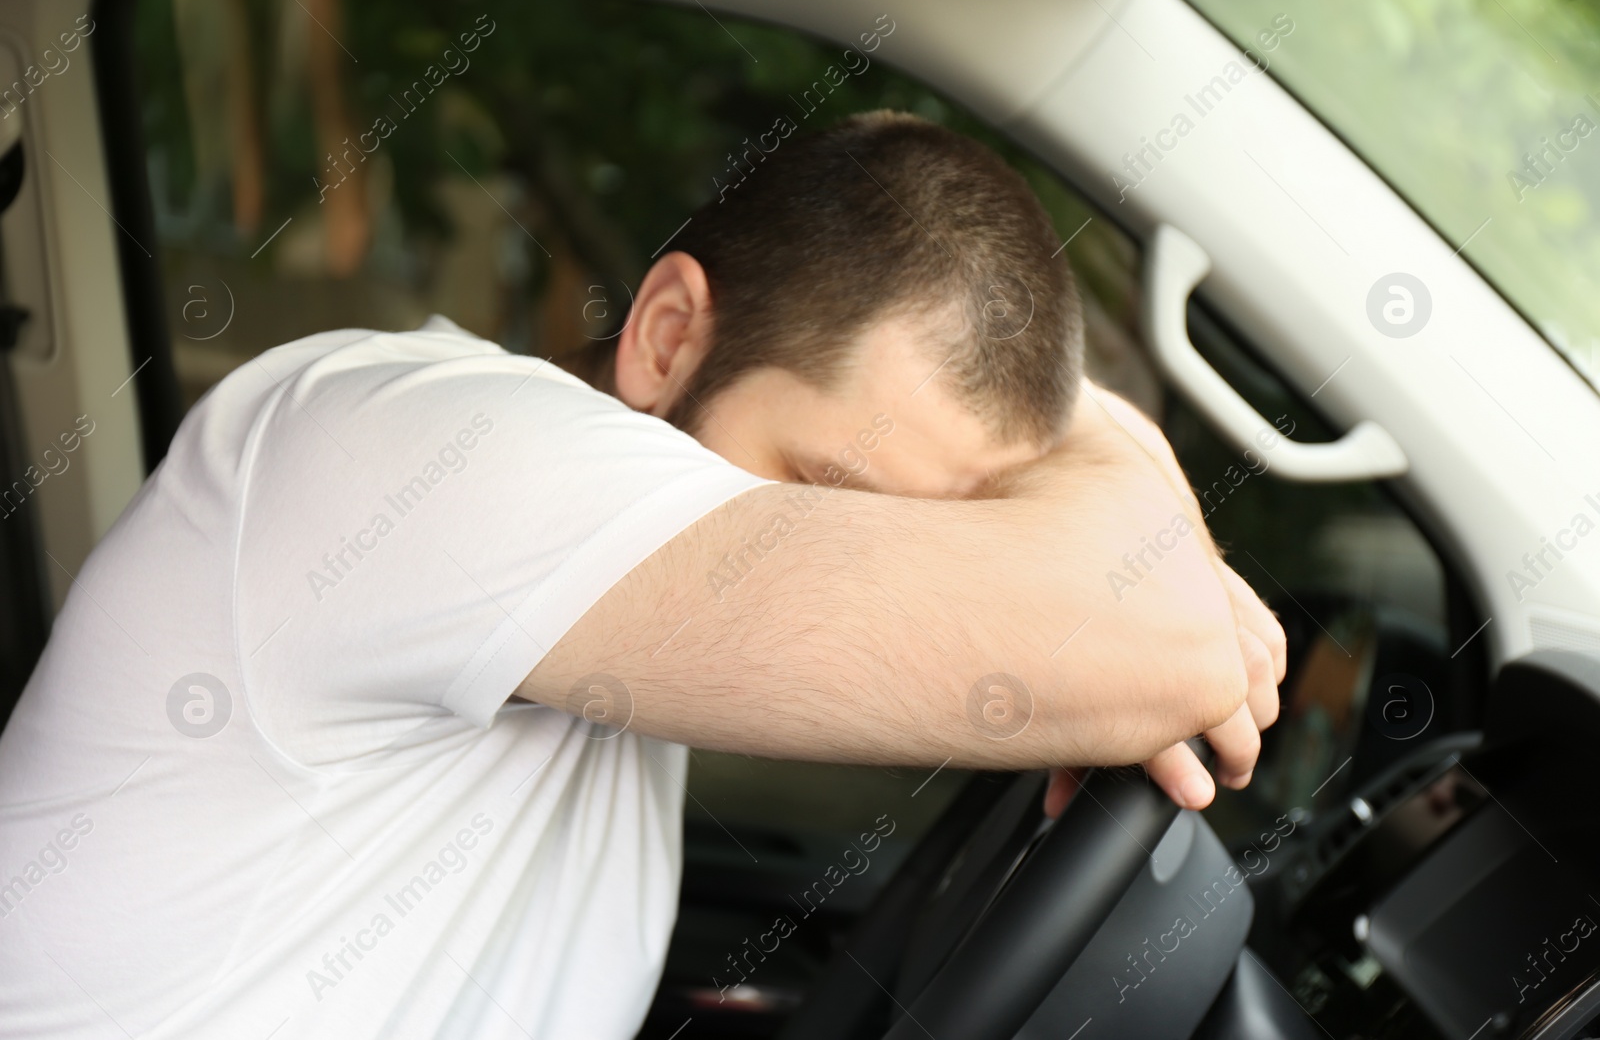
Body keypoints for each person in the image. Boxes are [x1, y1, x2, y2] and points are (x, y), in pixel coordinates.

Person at [0, 111, 1283, 1038]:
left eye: (941, 531)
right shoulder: (423, 452)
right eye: (833, 497)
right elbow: (1158, 641)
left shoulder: (611, 611)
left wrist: (1109, 564)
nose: (877, 567)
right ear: (667, 336)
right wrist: (1118, 531)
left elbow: (1138, 622)